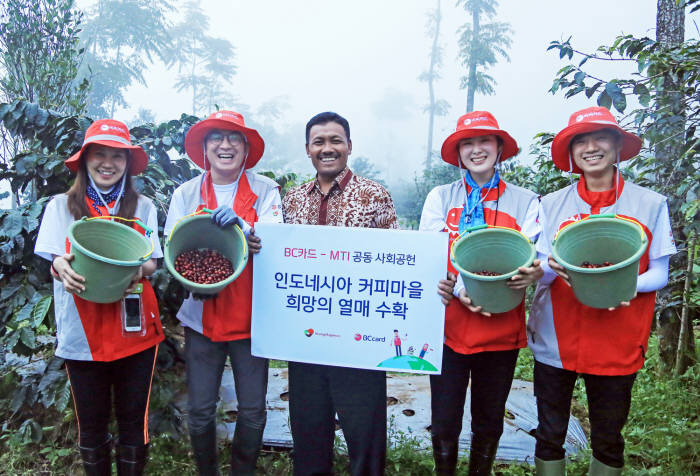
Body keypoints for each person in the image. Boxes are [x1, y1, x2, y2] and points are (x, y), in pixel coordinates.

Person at [248, 111, 454, 476]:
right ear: (308, 150)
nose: (328, 148)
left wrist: (431, 282)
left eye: (335, 140)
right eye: (319, 142)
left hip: (361, 342)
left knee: (365, 438)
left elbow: (396, 264)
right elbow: (280, 264)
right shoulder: (292, 200)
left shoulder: (373, 195)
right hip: (306, 339)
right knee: (309, 434)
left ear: (349, 146)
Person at [528, 107, 677, 476]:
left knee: (609, 435)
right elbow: (543, 270)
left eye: (600, 138)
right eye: (581, 140)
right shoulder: (550, 205)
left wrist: (620, 283)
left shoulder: (650, 203)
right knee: (549, 432)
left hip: (618, 335)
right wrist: (544, 270)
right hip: (556, 336)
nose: (591, 147)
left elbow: (660, 272)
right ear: (572, 153)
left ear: (617, 146)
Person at [35, 119, 163, 476]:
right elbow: (52, 261)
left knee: (133, 421)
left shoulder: (143, 207)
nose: (108, 163)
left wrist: (130, 270)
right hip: (82, 330)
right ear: (85, 159)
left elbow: (152, 262)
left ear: (127, 162)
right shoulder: (61, 207)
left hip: (133, 328)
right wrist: (61, 265)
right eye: (99, 154)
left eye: (117, 156)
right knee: (90, 423)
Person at [419, 111, 543, 475]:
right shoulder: (441, 198)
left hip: (500, 327)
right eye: (467, 144)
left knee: (488, 418)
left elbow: (536, 252)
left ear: (499, 147)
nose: (476, 150)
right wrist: (458, 287)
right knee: (444, 418)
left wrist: (533, 272)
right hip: (448, 327)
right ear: (458, 154)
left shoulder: (525, 201)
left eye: (484, 141)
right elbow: (430, 252)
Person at [163, 110, 282, 476]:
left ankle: (242, 471)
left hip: (250, 317)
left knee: (252, 408)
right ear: (205, 147)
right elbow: (173, 245)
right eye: (216, 137)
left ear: (246, 149)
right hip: (201, 317)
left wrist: (245, 226)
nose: (225, 145)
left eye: (234, 139)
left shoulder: (265, 190)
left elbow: (275, 239)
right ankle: (207, 471)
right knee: (200, 408)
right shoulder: (186, 192)